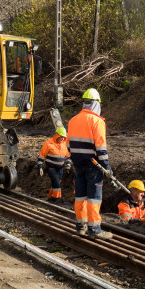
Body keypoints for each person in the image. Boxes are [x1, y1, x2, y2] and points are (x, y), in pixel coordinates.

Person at [67, 88, 113, 240]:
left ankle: (81, 226)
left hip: (78, 164)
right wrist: (106, 166)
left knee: (80, 196)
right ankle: (95, 229)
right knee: (94, 198)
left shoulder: (73, 120)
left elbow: (69, 146)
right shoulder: (97, 121)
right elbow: (101, 148)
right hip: (93, 166)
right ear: (95, 104)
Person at [36, 127, 72, 202]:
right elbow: (42, 156)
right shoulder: (48, 144)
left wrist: (68, 164)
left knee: (56, 182)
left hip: (60, 168)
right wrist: (40, 167)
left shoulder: (64, 145)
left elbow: (68, 157)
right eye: (61, 137)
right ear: (56, 135)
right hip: (51, 167)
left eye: (64, 137)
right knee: (56, 182)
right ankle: (57, 198)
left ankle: (51, 198)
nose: (62, 138)